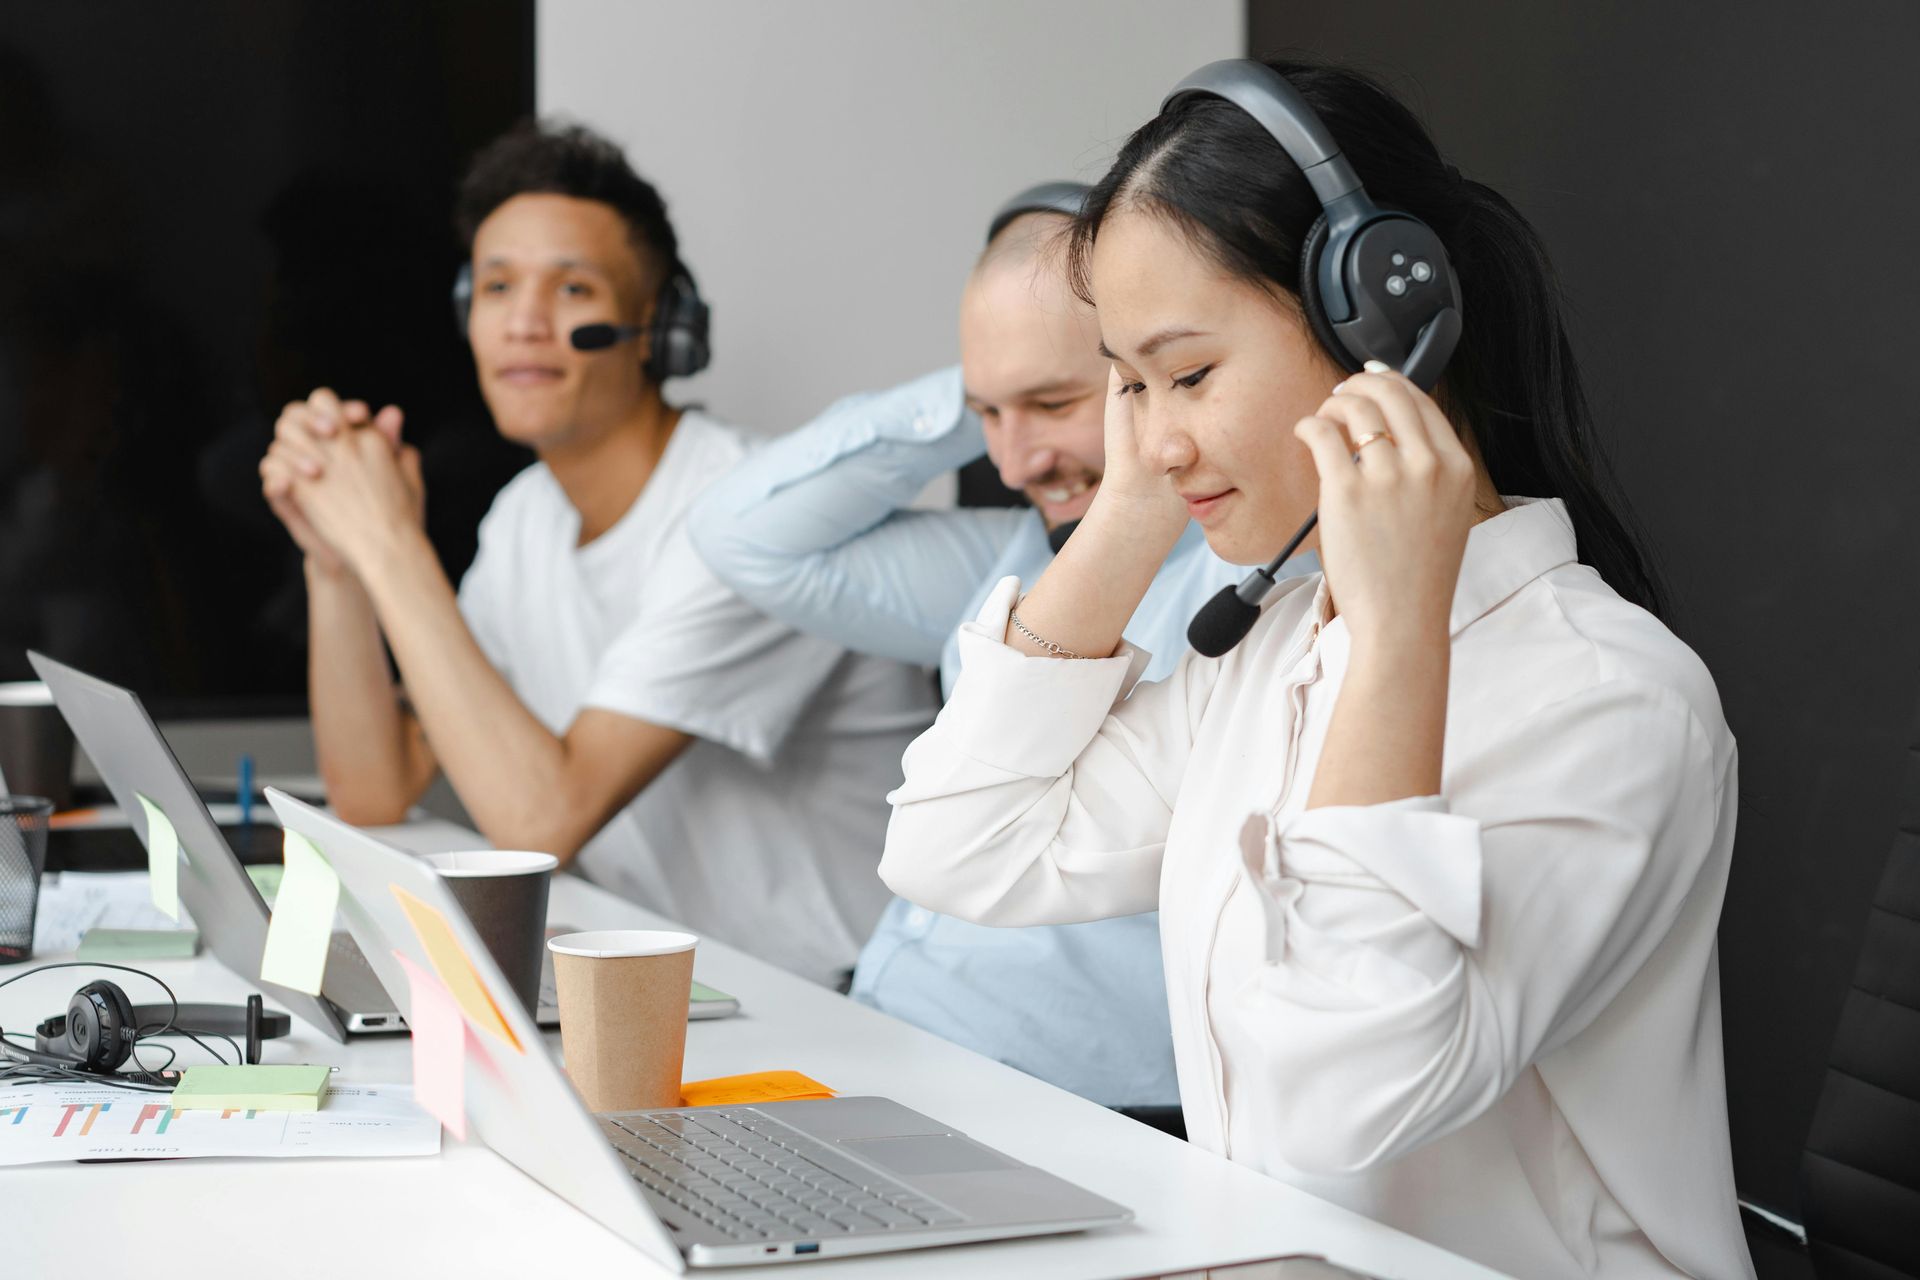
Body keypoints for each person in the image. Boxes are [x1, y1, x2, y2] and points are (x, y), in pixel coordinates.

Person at [878, 59, 1752, 1278]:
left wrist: (1396, 639)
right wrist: (1135, 507)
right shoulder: (1281, 649)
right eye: (1128, 384)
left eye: (1188, 373)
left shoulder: (1610, 697)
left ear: (1376, 329)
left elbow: (1343, 1103)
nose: (1156, 429)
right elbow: (954, 844)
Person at [258, 122, 935, 986]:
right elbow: (374, 790)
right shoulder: (526, 516)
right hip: (667, 995)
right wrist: (340, 563)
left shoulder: (756, 514)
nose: (526, 323)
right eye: (498, 287)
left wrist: (391, 540)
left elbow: (542, 819)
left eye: (572, 289)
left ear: (659, 326)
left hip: (842, 1011)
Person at [689, 187, 1308, 1115]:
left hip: (1083, 1102)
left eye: (1052, 403)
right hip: (884, 1044)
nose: (1013, 463)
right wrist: (1000, 372)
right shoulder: (1010, 557)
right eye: (988, 415)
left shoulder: (1275, 573)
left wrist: (1133, 369)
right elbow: (744, 533)